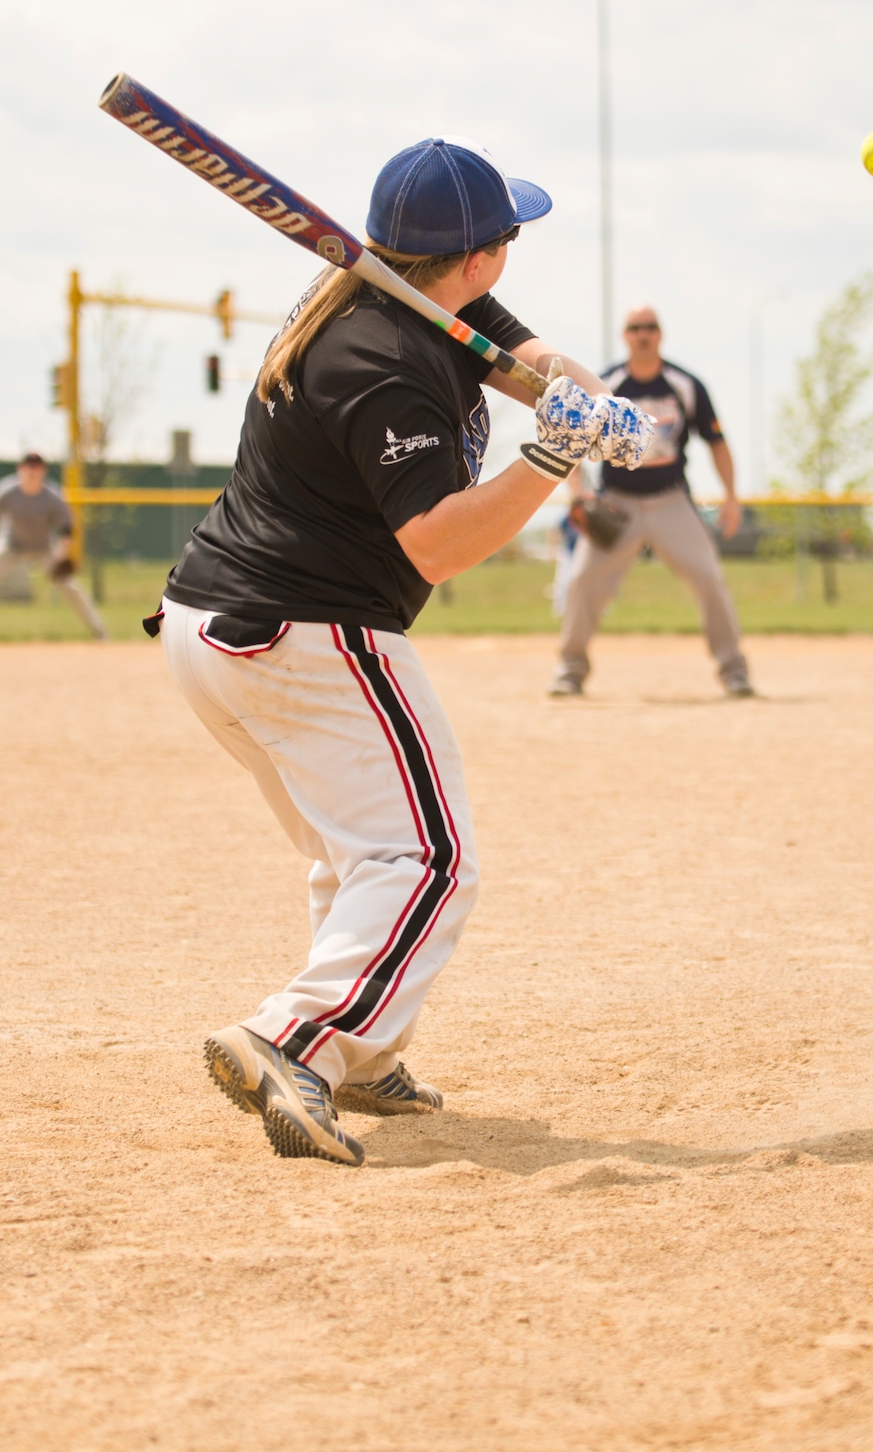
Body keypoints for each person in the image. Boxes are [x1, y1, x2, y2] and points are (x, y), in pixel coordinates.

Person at [151, 136, 649, 1166]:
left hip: (225, 622)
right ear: (479, 256)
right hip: (303, 628)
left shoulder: (412, 301)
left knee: (357, 849)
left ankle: (365, 1053)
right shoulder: (383, 357)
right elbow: (441, 543)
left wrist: (590, 403)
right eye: (506, 236)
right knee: (428, 858)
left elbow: (534, 363)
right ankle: (296, 1039)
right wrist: (555, 453)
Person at [549, 305, 752, 698]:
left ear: (661, 334)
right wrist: (579, 492)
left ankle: (734, 671)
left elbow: (717, 443)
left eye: (650, 327)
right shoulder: (605, 383)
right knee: (582, 581)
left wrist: (730, 497)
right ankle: (569, 671)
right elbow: (572, 443)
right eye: (635, 328)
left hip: (669, 500)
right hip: (617, 503)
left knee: (709, 578)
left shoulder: (685, 385)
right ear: (625, 336)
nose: (643, 334)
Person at [0, 452, 108, 643]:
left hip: (43, 547)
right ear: (19, 469)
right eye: (28, 466)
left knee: (71, 588)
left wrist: (62, 555)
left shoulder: (53, 496)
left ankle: (100, 633)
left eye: (36, 466)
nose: (32, 471)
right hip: (10, 545)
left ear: (43, 471)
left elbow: (66, 528)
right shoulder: (6, 490)